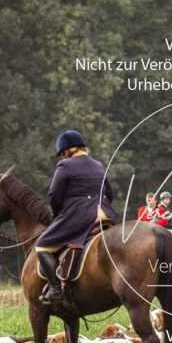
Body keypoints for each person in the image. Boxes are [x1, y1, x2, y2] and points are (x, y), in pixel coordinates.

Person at [34, 129, 117, 304]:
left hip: (80, 216)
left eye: (62, 155)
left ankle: (56, 289)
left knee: (42, 246)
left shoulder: (65, 166)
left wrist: (58, 216)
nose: (62, 158)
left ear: (66, 151)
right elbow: (110, 193)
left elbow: (54, 196)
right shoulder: (98, 165)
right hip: (105, 213)